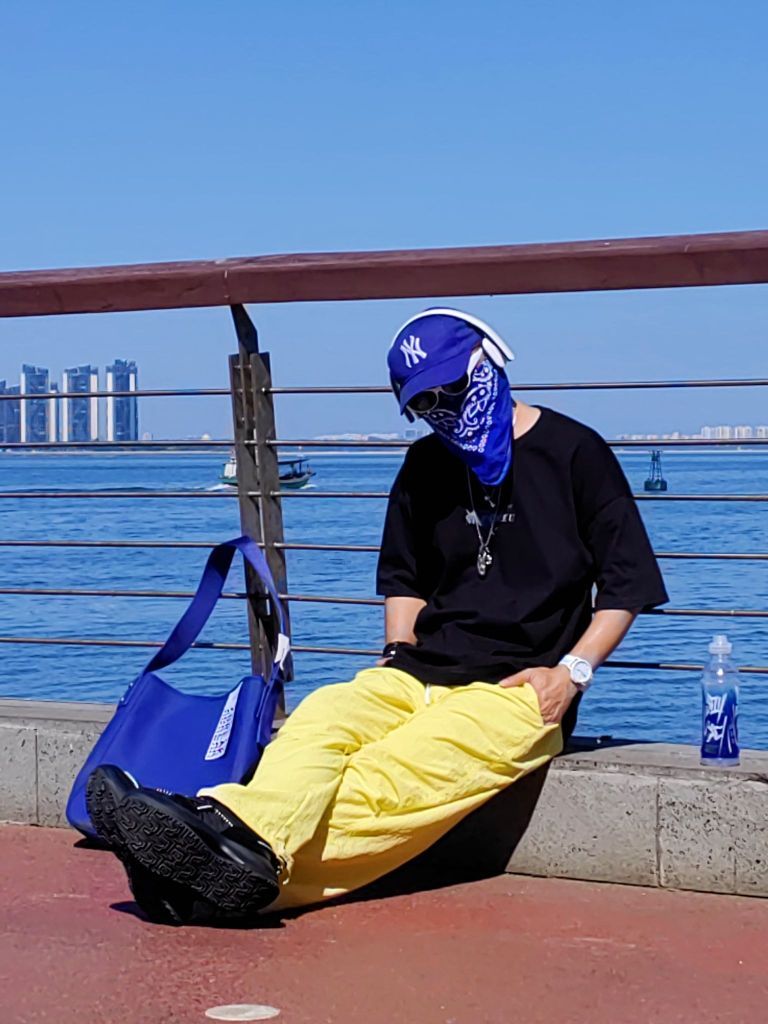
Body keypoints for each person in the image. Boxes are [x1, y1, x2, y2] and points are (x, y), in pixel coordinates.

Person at [87, 308, 668, 925]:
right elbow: (404, 580)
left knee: (392, 777)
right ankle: (222, 860)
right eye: (424, 403)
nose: (442, 409)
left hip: (519, 686)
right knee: (322, 720)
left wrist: (571, 674)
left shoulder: (575, 452)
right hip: (417, 669)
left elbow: (625, 583)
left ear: (488, 363)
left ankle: (216, 853)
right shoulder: (425, 465)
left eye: (450, 390)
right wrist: (396, 654)